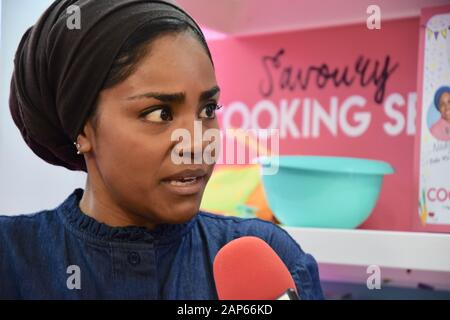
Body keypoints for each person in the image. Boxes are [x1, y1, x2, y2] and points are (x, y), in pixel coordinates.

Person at [0, 0, 323, 299]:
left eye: (208, 110)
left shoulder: (266, 253)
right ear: (83, 129)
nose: (196, 143)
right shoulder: (11, 258)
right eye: (160, 114)